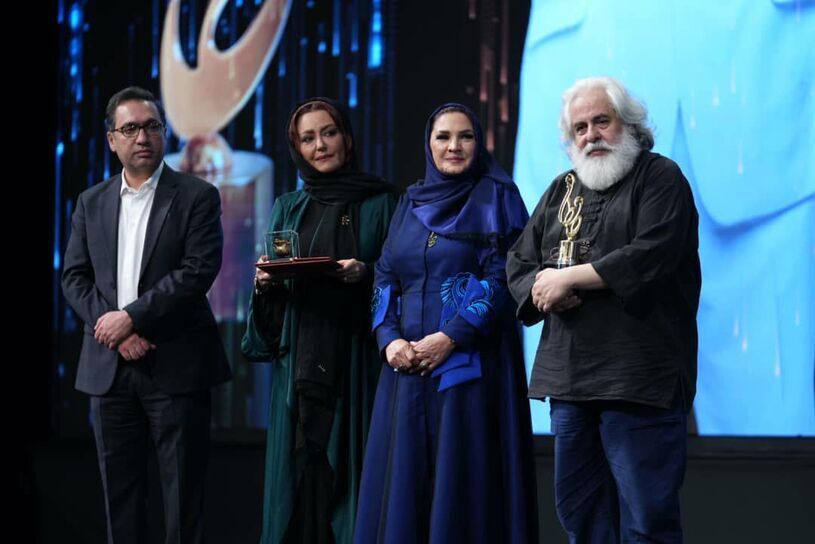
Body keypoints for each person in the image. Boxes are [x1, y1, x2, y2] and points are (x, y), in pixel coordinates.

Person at [507, 76, 701, 543]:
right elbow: (519, 262)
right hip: (569, 380)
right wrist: (543, 288)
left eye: (602, 121)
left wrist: (570, 277)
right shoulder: (561, 189)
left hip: (640, 380)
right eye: (580, 128)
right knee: (581, 517)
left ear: (629, 125)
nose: (591, 135)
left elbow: (650, 255)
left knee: (647, 521)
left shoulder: (661, 177)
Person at [354, 103, 538, 543]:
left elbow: (506, 277)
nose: (454, 146)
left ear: (479, 142)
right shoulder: (410, 201)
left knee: (463, 488)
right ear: (429, 144)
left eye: (465, 136)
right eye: (443, 137)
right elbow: (385, 274)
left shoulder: (498, 196)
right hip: (405, 371)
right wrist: (388, 339)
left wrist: (450, 337)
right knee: (404, 489)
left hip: (469, 370)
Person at [62, 86, 231, 544]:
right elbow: (74, 277)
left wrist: (132, 318)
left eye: (152, 126)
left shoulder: (197, 195)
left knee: (183, 503)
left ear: (163, 133)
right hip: (109, 372)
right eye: (131, 128)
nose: (143, 137)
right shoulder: (90, 201)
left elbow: (198, 271)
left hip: (176, 364)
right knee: (121, 501)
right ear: (112, 139)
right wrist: (116, 331)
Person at [241, 97, 398, 544]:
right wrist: (265, 284)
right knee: (300, 489)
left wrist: (365, 272)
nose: (320, 145)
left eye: (328, 133)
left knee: (353, 487)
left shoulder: (383, 202)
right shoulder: (288, 206)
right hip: (299, 370)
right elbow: (267, 325)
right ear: (297, 148)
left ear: (346, 138)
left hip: (357, 363)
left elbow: (404, 279)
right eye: (308, 138)